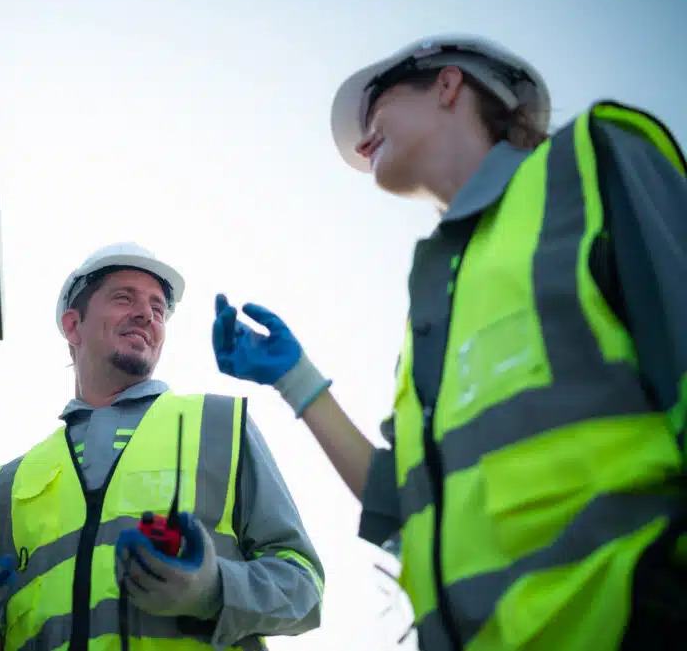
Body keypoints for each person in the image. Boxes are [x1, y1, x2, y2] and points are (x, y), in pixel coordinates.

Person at [211, 34, 687, 651]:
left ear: (447, 83)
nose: (361, 141)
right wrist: (295, 377)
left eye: (375, 106)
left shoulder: (592, 162)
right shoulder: (434, 305)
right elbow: (405, 503)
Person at [0, 242, 325, 651]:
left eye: (158, 309)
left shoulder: (221, 427)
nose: (147, 315)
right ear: (73, 326)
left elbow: (305, 588)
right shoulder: (5, 488)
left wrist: (212, 590)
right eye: (124, 298)